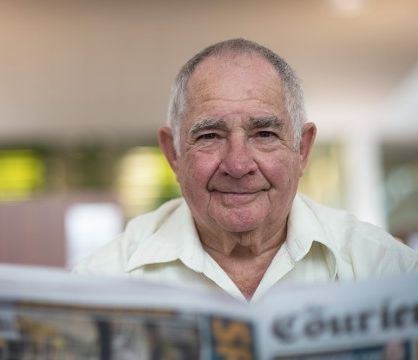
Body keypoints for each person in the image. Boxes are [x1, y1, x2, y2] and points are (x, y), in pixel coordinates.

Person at [72, 38, 418, 303]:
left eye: (264, 134)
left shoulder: (389, 271)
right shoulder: (99, 284)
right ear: (173, 152)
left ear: (302, 149)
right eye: (210, 136)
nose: (238, 165)